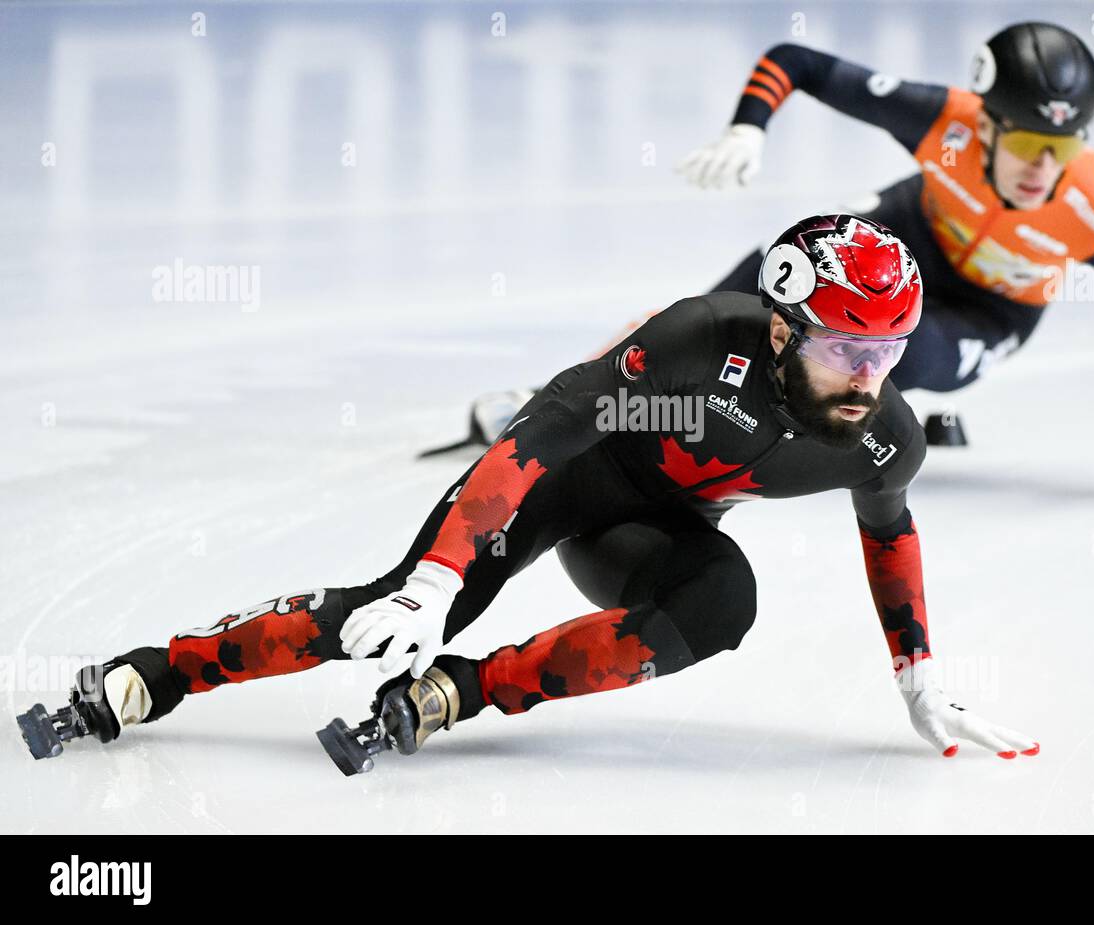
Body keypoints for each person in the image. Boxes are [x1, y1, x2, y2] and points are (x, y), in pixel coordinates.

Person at [19, 215, 1038, 770]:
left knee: (725, 605)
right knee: (393, 613)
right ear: (780, 330)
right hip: (562, 478)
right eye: (847, 348)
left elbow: (888, 525)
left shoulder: (882, 433)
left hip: (648, 530)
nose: (870, 378)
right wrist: (434, 573)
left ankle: (464, 691)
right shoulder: (701, 338)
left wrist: (915, 668)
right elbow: (549, 425)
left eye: (890, 351)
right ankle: (161, 671)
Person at [465, 21, 1094, 466]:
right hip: (916, 233)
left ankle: (795, 419)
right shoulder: (947, 123)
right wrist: (748, 126)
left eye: (1064, 150)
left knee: (913, 355)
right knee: (778, 275)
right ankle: (579, 393)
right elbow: (796, 61)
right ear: (989, 123)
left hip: (994, 309)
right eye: (1033, 142)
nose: (1047, 168)